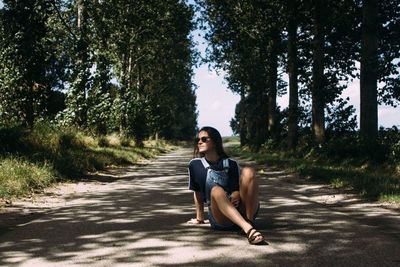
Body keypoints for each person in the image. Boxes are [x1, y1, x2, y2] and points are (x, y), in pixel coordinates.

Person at [187, 126, 265, 245]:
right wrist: (200, 218)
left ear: (215, 142)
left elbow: (238, 186)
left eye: (204, 139)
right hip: (220, 217)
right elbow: (197, 192)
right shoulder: (194, 165)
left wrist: (236, 192)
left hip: (241, 210)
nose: (199, 142)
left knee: (249, 171)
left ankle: (249, 220)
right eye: (197, 140)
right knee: (216, 190)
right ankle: (248, 229)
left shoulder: (231, 163)